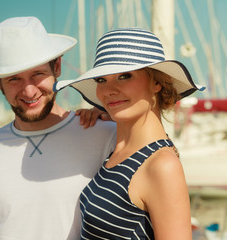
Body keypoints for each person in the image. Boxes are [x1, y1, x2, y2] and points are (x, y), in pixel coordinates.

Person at [0, 16, 116, 240]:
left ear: (57, 67)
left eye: (37, 74)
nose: (28, 92)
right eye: (14, 79)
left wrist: (114, 117)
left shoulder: (104, 133)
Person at [54, 28, 205, 239]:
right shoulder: (118, 150)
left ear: (157, 83)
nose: (109, 90)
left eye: (124, 76)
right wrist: (104, 115)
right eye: (101, 80)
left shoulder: (161, 165)